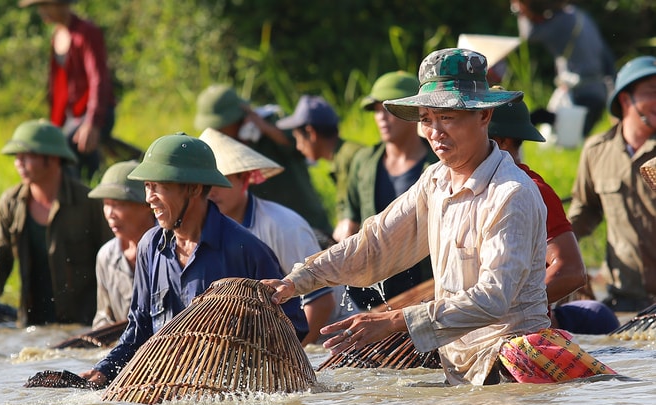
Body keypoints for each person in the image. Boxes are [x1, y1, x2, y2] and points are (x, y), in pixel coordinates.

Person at [264, 48, 616, 385]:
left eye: (447, 117)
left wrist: (394, 320)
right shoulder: (435, 181)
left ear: (484, 116)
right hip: (459, 367)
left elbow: (493, 299)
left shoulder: (512, 193)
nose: (435, 133)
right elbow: (375, 244)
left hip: (512, 366)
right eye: (427, 119)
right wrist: (298, 280)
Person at [80, 132, 308, 387]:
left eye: (159, 186)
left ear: (194, 188)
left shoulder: (245, 250)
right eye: (147, 186)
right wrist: (104, 370)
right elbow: (139, 330)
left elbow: (294, 327)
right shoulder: (150, 247)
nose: (149, 198)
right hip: (165, 389)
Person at [0, 119, 112, 329]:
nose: (18, 163)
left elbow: (112, 260)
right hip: (31, 325)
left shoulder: (88, 203)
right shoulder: (11, 203)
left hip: (83, 324)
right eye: (16, 157)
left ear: (52, 159)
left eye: (26, 156)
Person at [488, 95, 619, 334]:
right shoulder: (455, 189)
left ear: (501, 142)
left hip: (520, 338)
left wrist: (501, 314)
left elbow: (569, 271)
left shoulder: (531, 191)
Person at [200, 128, 342, 346]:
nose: (211, 192)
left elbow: (321, 302)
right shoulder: (202, 231)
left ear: (244, 179)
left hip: (326, 340)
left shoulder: (282, 226)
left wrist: (290, 359)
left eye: (221, 181)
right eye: (205, 185)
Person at [334, 71, 438, 309]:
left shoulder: (437, 165)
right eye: (376, 110)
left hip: (426, 286)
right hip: (374, 289)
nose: (381, 117)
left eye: (389, 109)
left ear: (414, 113)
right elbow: (349, 219)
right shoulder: (364, 161)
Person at [567, 55, 656, 313]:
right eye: (653, 92)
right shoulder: (597, 151)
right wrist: (560, 257)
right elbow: (585, 210)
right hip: (624, 298)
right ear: (626, 99)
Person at [193, 84, 333, 247]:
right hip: (263, 231)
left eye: (220, 126)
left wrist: (265, 128)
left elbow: (301, 146)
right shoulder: (220, 149)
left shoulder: (271, 123)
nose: (217, 132)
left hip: (306, 218)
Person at [19, 0, 116, 181]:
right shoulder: (57, 35)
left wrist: (92, 123)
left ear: (61, 4)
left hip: (95, 114)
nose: (42, 12)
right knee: (49, 146)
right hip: (71, 117)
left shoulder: (87, 32)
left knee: (68, 148)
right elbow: (59, 87)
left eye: (45, 6)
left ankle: (90, 193)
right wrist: (54, 125)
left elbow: (98, 79)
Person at [510, 0, 615, 136]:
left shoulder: (562, 22)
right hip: (598, 94)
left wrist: (521, 10)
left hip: (578, 96)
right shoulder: (581, 16)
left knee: (565, 140)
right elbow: (608, 60)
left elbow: (529, 34)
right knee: (573, 141)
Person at [87, 160, 156, 329]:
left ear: (147, 205)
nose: (110, 214)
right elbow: (104, 317)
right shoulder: (106, 256)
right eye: (106, 204)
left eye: (119, 204)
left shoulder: (171, 248)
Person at [275, 95, 364, 222]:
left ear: (311, 133)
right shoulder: (344, 155)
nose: (299, 147)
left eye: (298, 139)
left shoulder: (349, 158)